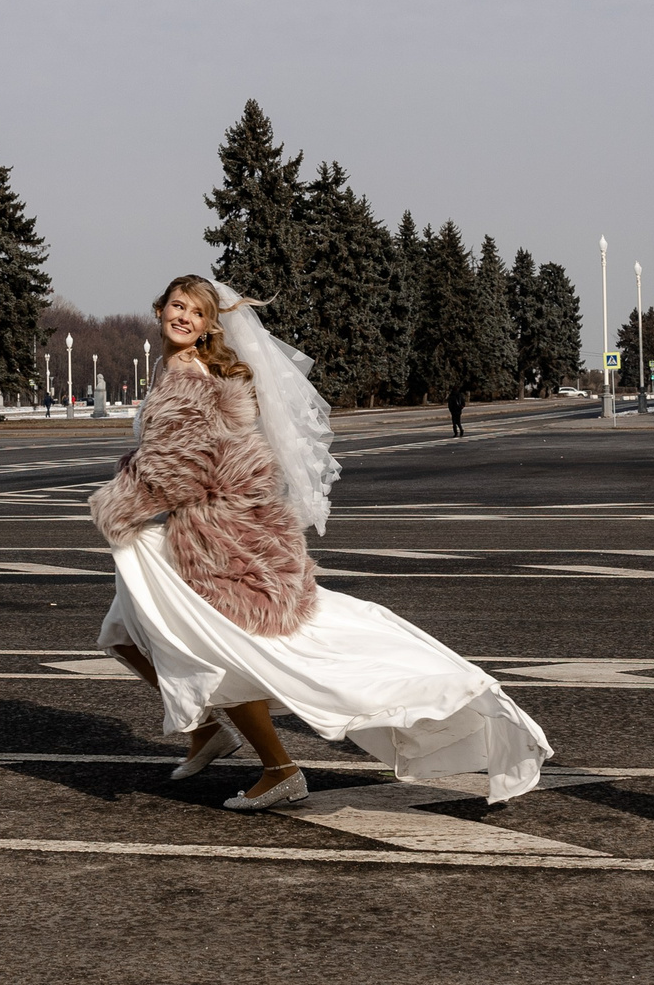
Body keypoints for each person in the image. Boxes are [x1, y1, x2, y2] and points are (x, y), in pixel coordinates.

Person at [92, 275, 549, 809]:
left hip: (211, 537)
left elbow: (181, 469)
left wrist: (117, 507)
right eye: (176, 306)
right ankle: (207, 730)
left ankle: (278, 767)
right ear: (160, 308)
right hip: (220, 528)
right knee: (125, 633)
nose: (183, 317)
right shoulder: (194, 369)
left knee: (231, 648)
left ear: (209, 325)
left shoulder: (180, 373)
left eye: (195, 311)